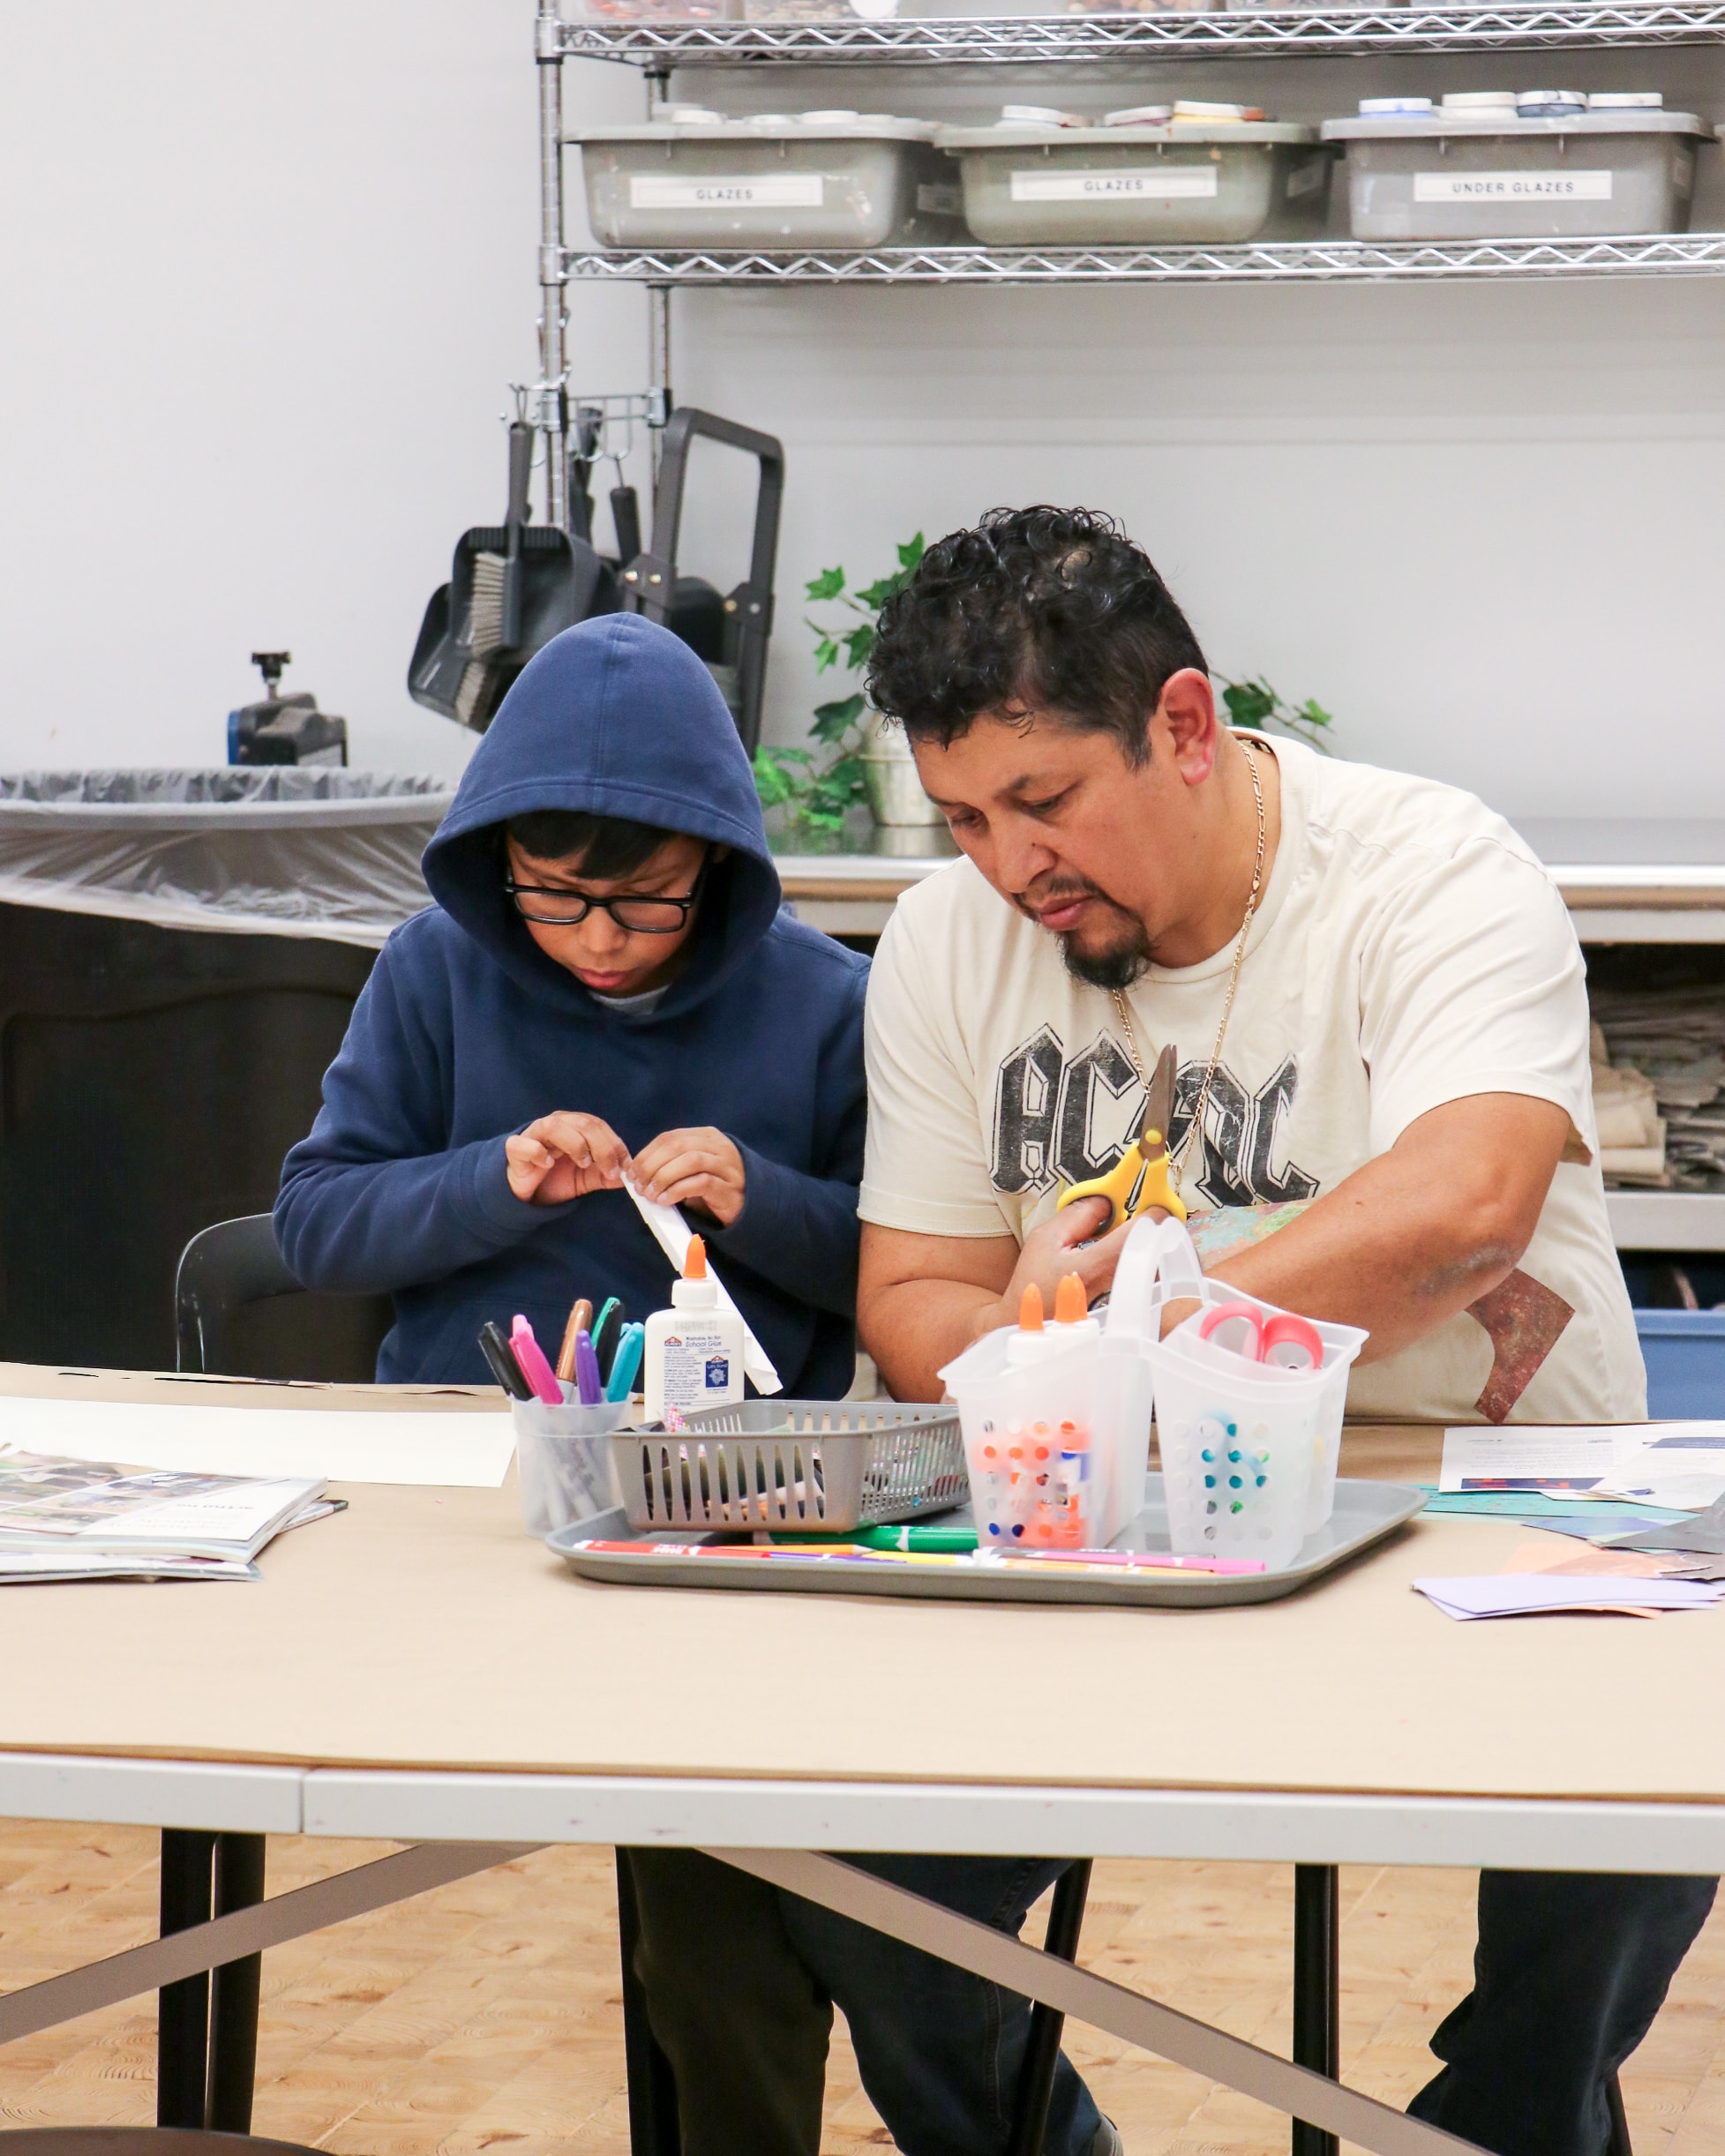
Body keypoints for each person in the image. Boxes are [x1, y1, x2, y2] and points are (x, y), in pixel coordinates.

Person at [845, 505, 1714, 2156]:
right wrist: (1040, 1332)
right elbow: (910, 1298)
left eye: (1044, 800)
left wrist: (1144, 1322)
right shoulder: (950, 942)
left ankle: (1501, 2128)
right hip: (1119, 1516)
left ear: (1183, 724)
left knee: (1640, 1820)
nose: (1008, 866)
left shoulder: (1431, 871)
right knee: (849, 1860)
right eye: (963, 817)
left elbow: (1466, 1210)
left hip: (1490, 1496)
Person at [274, 613, 871, 2156]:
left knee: (719, 1919)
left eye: (646, 900)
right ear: (498, 863)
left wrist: (766, 1201)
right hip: (469, 1505)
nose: (599, 939)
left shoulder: (821, 998)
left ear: (717, 869)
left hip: (729, 1509)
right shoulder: (436, 971)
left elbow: (899, 1268)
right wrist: (493, 1177)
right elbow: (316, 1221)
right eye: (553, 894)